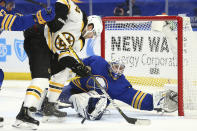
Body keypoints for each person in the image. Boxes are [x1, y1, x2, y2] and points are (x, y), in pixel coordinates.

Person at [13, 0, 103, 130]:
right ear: (91, 26)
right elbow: (63, 1)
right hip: (37, 36)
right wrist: (60, 17)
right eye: (93, 34)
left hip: (47, 48)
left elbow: (64, 57)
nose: (91, 37)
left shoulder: (79, 42)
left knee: (64, 71)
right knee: (42, 79)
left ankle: (49, 105)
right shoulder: (79, 18)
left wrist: (78, 67)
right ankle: (23, 115)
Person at [58, 55, 178, 121]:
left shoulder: (120, 85)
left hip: (91, 98)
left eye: (121, 69)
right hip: (75, 87)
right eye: (116, 67)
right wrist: (80, 69)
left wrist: (156, 101)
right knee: (52, 100)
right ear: (110, 65)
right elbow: (79, 63)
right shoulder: (98, 62)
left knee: (95, 101)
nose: (118, 70)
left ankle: (88, 109)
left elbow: (136, 98)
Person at [0, 0, 55, 127]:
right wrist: (38, 17)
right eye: (9, 5)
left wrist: (38, 18)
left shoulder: (5, 12)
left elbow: (19, 18)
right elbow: (16, 23)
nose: (10, 7)